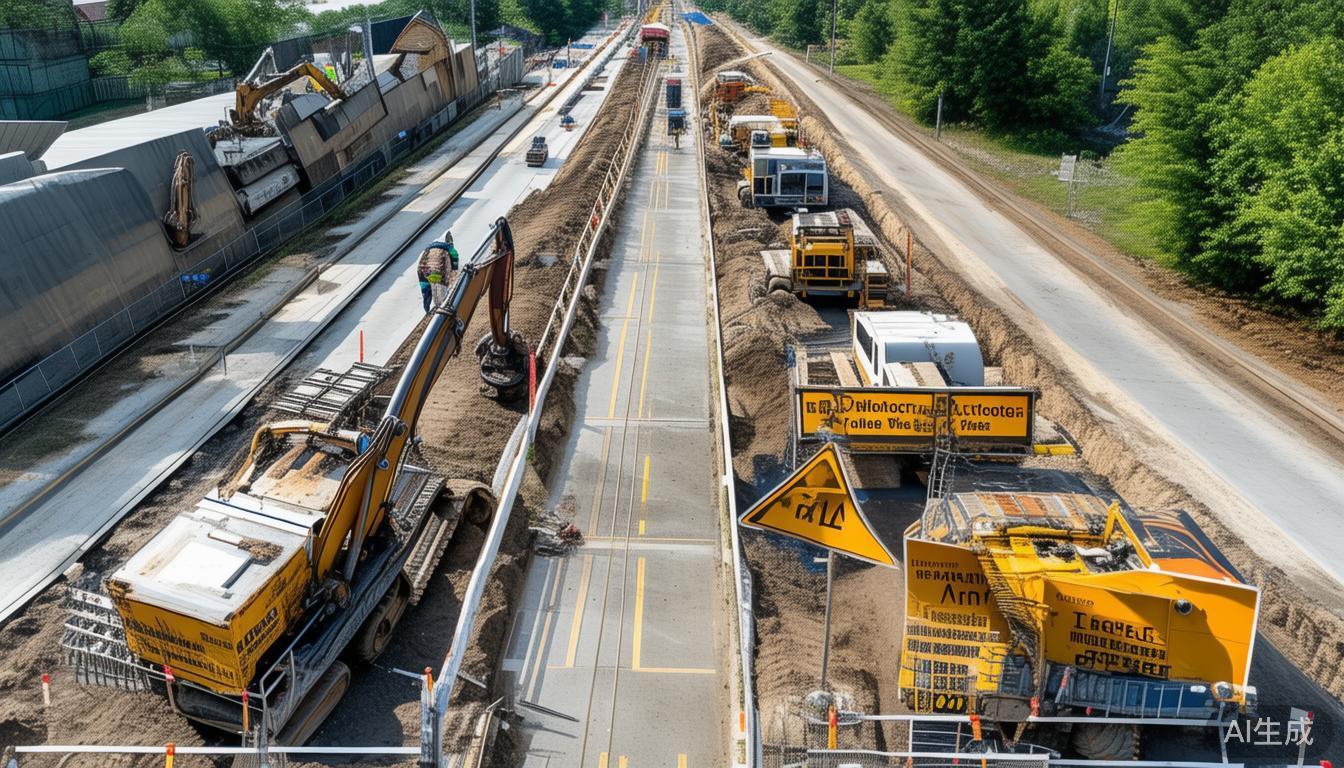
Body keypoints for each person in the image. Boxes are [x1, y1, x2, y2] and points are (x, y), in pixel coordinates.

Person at [417, 233, 460, 312]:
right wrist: (454, 271)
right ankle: (442, 312)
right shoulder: (449, 248)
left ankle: (427, 310)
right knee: (442, 299)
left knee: (426, 290)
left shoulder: (428, 249)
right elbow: (455, 258)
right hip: (437, 270)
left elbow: (421, 261)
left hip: (422, 270)